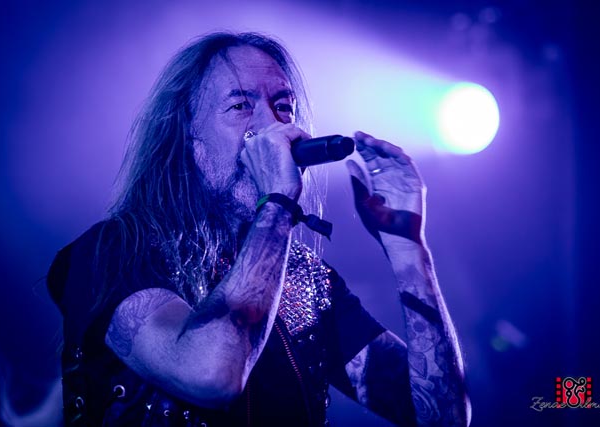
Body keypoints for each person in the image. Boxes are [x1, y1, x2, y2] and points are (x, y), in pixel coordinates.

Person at [47, 32, 471, 427]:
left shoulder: (308, 282)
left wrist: (407, 248)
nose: (272, 126)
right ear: (189, 138)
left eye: (283, 106)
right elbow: (211, 374)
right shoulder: (111, 252)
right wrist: (279, 201)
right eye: (240, 106)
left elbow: (442, 417)